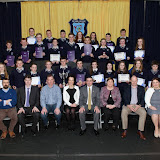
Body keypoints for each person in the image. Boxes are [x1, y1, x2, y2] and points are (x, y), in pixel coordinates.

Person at [121, 75, 147, 140]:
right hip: (128, 105)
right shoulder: (126, 88)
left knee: (143, 112)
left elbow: (143, 99)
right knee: (124, 111)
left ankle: (140, 131)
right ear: (130, 81)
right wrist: (128, 105)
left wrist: (139, 105)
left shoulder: (141, 88)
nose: (134, 82)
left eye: (135, 81)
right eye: (132, 81)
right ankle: (125, 130)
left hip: (138, 105)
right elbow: (124, 98)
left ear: (137, 81)